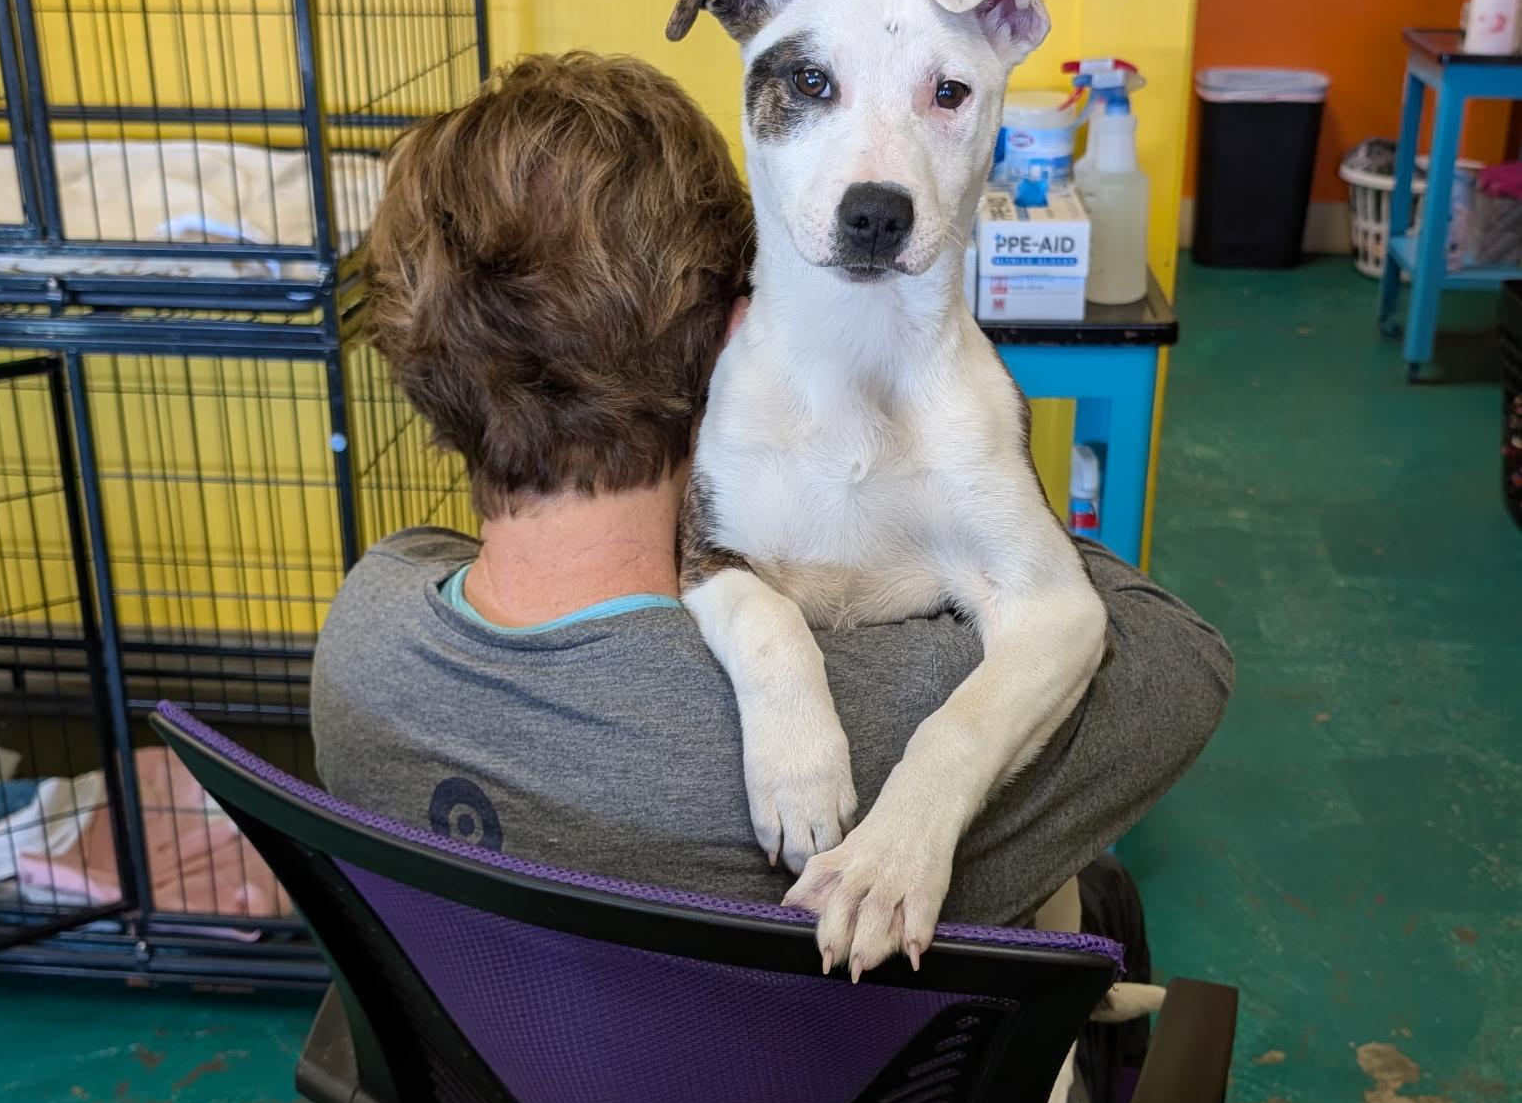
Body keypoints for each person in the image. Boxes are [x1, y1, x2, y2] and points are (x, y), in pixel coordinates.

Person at [313, 48, 1231, 944]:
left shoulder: (361, 634)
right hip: (852, 1095)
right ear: (735, 332)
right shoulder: (898, 707)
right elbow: (1181, 658)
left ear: (414, 352)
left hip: (507, 1092)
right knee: (1110, 905)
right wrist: (946, 439)